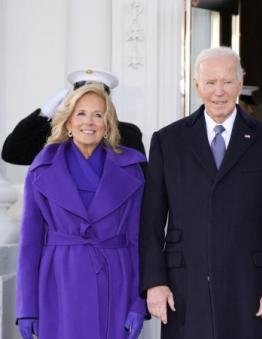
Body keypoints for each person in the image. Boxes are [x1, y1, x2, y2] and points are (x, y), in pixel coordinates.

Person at [139, 47, 262, 339]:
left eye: (227, 82)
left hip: (250, 286)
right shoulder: (168, 141)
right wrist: (155, 281)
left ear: (240, 84)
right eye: (210, 83)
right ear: (196, 86)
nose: (219, 91)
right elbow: (151, 220)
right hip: (184, 284)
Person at [15, 83, 147, 339]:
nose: (90, 121)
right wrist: (27, 307)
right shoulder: (41, 169)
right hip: (57, 282)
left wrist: (137, 303)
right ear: (67, 122)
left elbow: (136, 241)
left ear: (107, 124)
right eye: (81, 113)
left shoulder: (131, 169)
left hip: (114, 281)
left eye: (98, 114)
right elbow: (29, 244)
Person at [1, 68, 145, 166]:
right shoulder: (57, 133)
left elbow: (141, 184)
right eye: (81, 110)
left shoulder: (126, 134)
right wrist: (43, 115)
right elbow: (12, 154)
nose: (88, 122)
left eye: (97, 113)